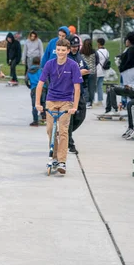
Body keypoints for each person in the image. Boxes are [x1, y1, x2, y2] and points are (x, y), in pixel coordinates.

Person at [35, 38, 82, 174]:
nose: (61, 52)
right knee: (50, 129)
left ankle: (62, 161)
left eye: (63, 50)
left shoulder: (73, 65)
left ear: (68, 51)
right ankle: (54, 157)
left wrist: (75, 106)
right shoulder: (50, 64)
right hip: (51, 100)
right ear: (56, 50)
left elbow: (77, 88)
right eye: (59, 50)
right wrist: (38, 103)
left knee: (63, 131)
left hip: (66, 101)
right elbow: (40, 84)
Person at [66, 35, 90, 154]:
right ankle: (69, 142)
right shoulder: (66, 57)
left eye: (76, 46)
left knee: (81, 114)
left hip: (79, 90)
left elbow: (86, 68)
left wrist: (85, 72)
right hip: (70, 92)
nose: (75, 48)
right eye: (73, 46)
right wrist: (80, 72)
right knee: (70, 117)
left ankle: (65, 133)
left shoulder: (79, 57)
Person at [27, 56, 45, 127]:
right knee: (43, 103)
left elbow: (26, 80)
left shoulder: (29, 70)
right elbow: (45, 79)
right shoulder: (41, 70)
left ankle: (35, 121)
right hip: (43, 88)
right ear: (39, 62)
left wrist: (29, 86)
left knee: (34, 105)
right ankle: (44, 118)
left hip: (34, 88)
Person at [80, 38, 97, 109]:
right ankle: (91, 101)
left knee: (85, 87)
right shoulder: (94, 52)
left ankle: (86, 101)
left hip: (84, 71)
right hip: (93, 72)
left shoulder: (81, 52)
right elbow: (97, 61)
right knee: (92, 88)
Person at [95, 38, 110, 106]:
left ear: (98, 43)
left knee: (93, 86)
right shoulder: (107, 51)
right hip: (103, 71)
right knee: (100, 86)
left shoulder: (97, 52)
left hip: (97, 70)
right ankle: (100, 101)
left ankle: (91, 100)